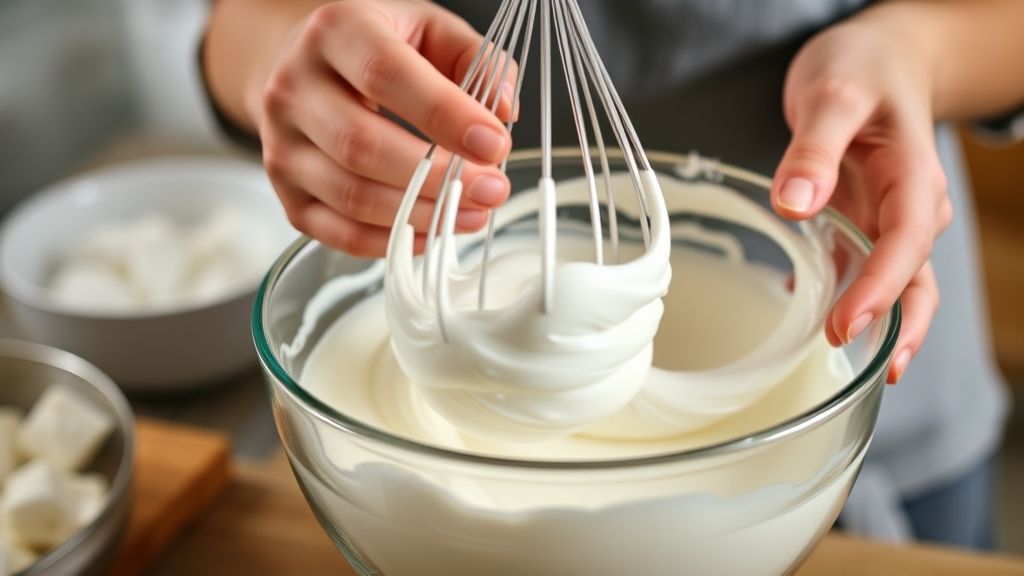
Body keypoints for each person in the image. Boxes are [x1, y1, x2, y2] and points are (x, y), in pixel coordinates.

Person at [186, 0, 1016, 548]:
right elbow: (216, 20)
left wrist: (921, 47)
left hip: (855, 390)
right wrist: (287, 55)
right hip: (442, 251)